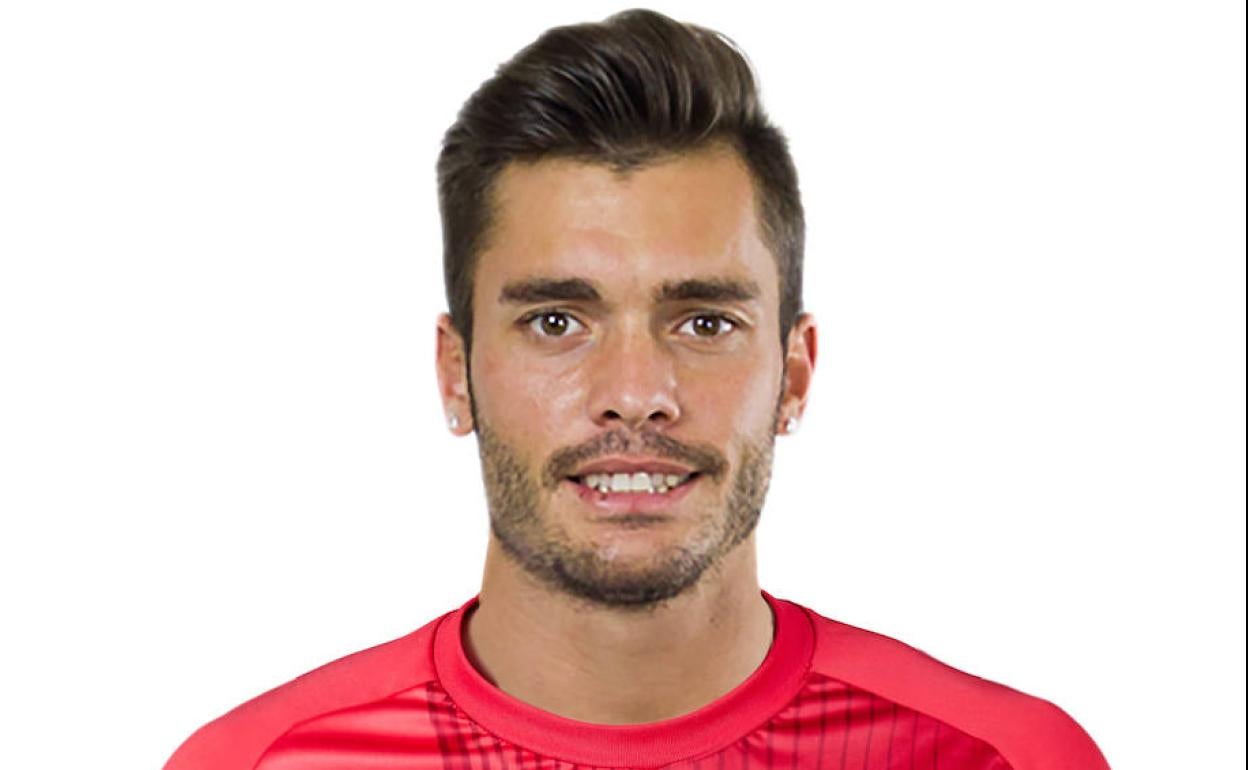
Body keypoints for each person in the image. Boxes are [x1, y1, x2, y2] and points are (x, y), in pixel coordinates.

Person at [163, 9, 1110, 769]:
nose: (635, 392)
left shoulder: (1001, 758)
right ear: (456, 373)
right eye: (556, 322)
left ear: (795, 374)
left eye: (704, 323)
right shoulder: (259, 763)